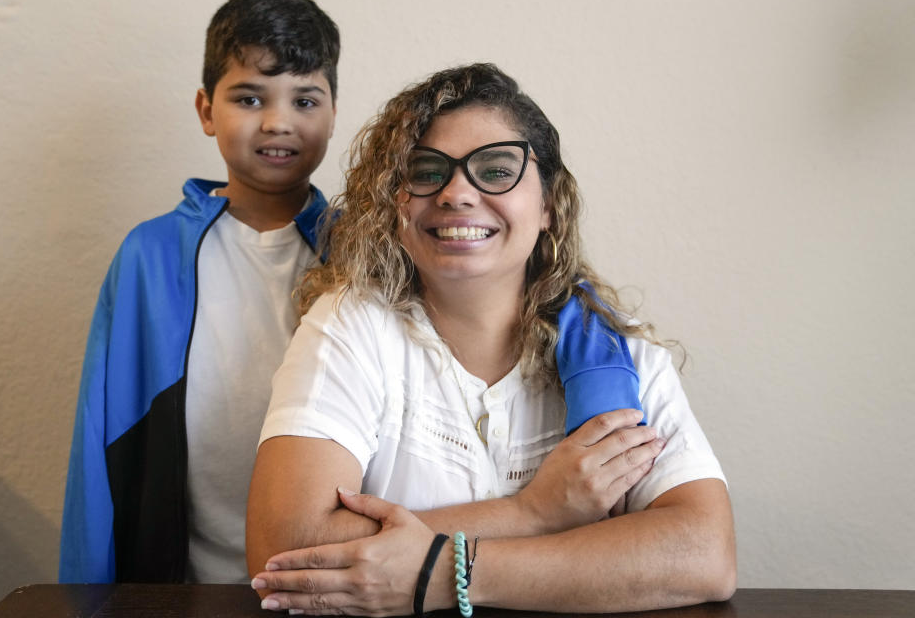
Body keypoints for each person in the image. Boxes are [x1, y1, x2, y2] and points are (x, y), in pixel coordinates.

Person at [246, 63, 736, 614]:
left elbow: (704, 555)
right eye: (427, 171)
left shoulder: (624, 358)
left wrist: (443, 572)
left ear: (549, 205)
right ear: (395, 205)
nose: (457, 193)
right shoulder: (350, 326)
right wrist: (533, 514)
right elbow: (285, 546)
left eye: (496, 169)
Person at [59, 0, 339, 583]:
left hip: (327, 579)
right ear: (207, 109)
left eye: (305, 99)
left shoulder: (362, 252)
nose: (278, 121)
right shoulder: (148, 255)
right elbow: (98, 440)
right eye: (249, 97)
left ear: (334, 113)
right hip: (182, 586)